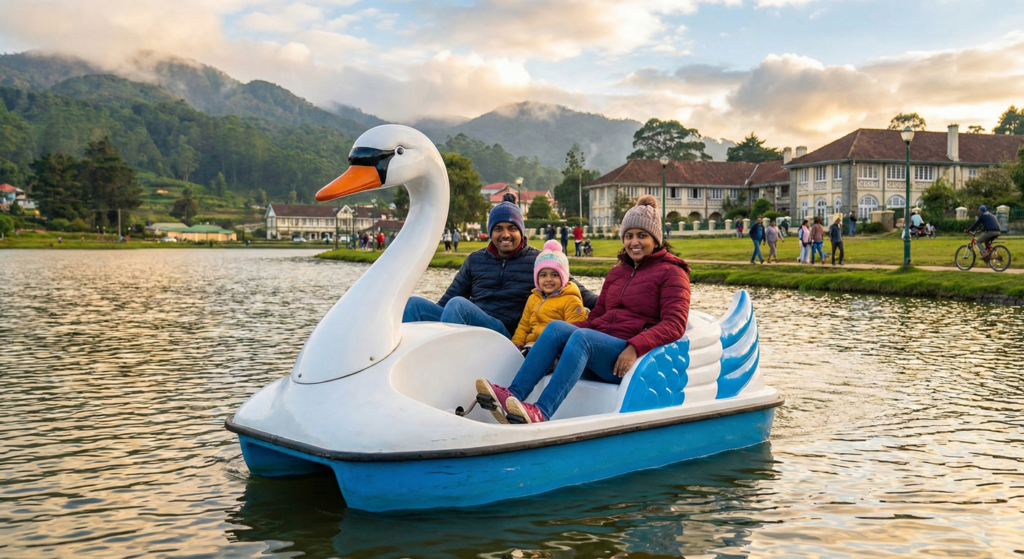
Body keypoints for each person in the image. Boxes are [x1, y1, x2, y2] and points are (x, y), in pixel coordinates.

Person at [476, 195, 690, 424]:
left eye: (642, 236)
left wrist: (635, 347)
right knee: (558, 328)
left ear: (655, 239)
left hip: (630, 358)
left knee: (583, 338)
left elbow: (675, 324)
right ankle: (514, 396)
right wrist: (561, 343)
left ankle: (541, 411)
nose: (634, 242)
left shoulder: (672, 272)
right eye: (629, 236)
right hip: (603, 347)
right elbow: (596, 318)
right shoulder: (617, 273)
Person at [403, 193, 597, 338]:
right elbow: (446, 302)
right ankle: (403, 366)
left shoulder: (539, 262)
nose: (505, 235)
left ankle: (445, 366)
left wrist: (616, 306)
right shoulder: (475, 260)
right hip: (470, 322)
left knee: (459, 306)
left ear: (521, 231)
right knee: (414, 304)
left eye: (512, 228)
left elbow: (580, 292)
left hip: (503, 334)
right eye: (498, 229)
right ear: (490, 232)